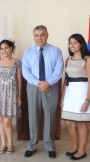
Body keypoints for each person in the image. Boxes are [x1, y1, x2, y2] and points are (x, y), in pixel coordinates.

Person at [22, 25, 63, 158]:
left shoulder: (56, 51)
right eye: (36, 35)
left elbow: (59, 70)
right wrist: (38, 83)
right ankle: (33, 145)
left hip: (50, 86)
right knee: (33, 116)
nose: (39, 38)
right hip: (34, 87)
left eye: (42, 35)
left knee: (50, 117)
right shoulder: (28, 52)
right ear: (33, 36)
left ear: (47, 35)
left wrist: (48, 82)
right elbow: (25, 71)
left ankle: (50, 146)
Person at [60, 33, 90, 160]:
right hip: (70, 93)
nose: (72, 45)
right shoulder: (68, 59)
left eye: (75, 42)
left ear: (81, 44)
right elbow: (66, 80)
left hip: (82, 94)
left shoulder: (88, 59)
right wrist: (62, 98)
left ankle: (82, 150)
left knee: (81, 124)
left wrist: (87, 100)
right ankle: (74, 146)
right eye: (70, 43)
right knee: (69, 123)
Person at [0, 39, 22, 155]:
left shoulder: (17, 62)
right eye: (2, 48)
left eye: (6, 48)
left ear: (11, 49)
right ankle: (3, 144)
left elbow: (19, 80)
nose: (4, 50)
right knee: (1, 120)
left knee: (7, 121)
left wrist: (19, 97)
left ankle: (11, 144)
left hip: (11, 94)